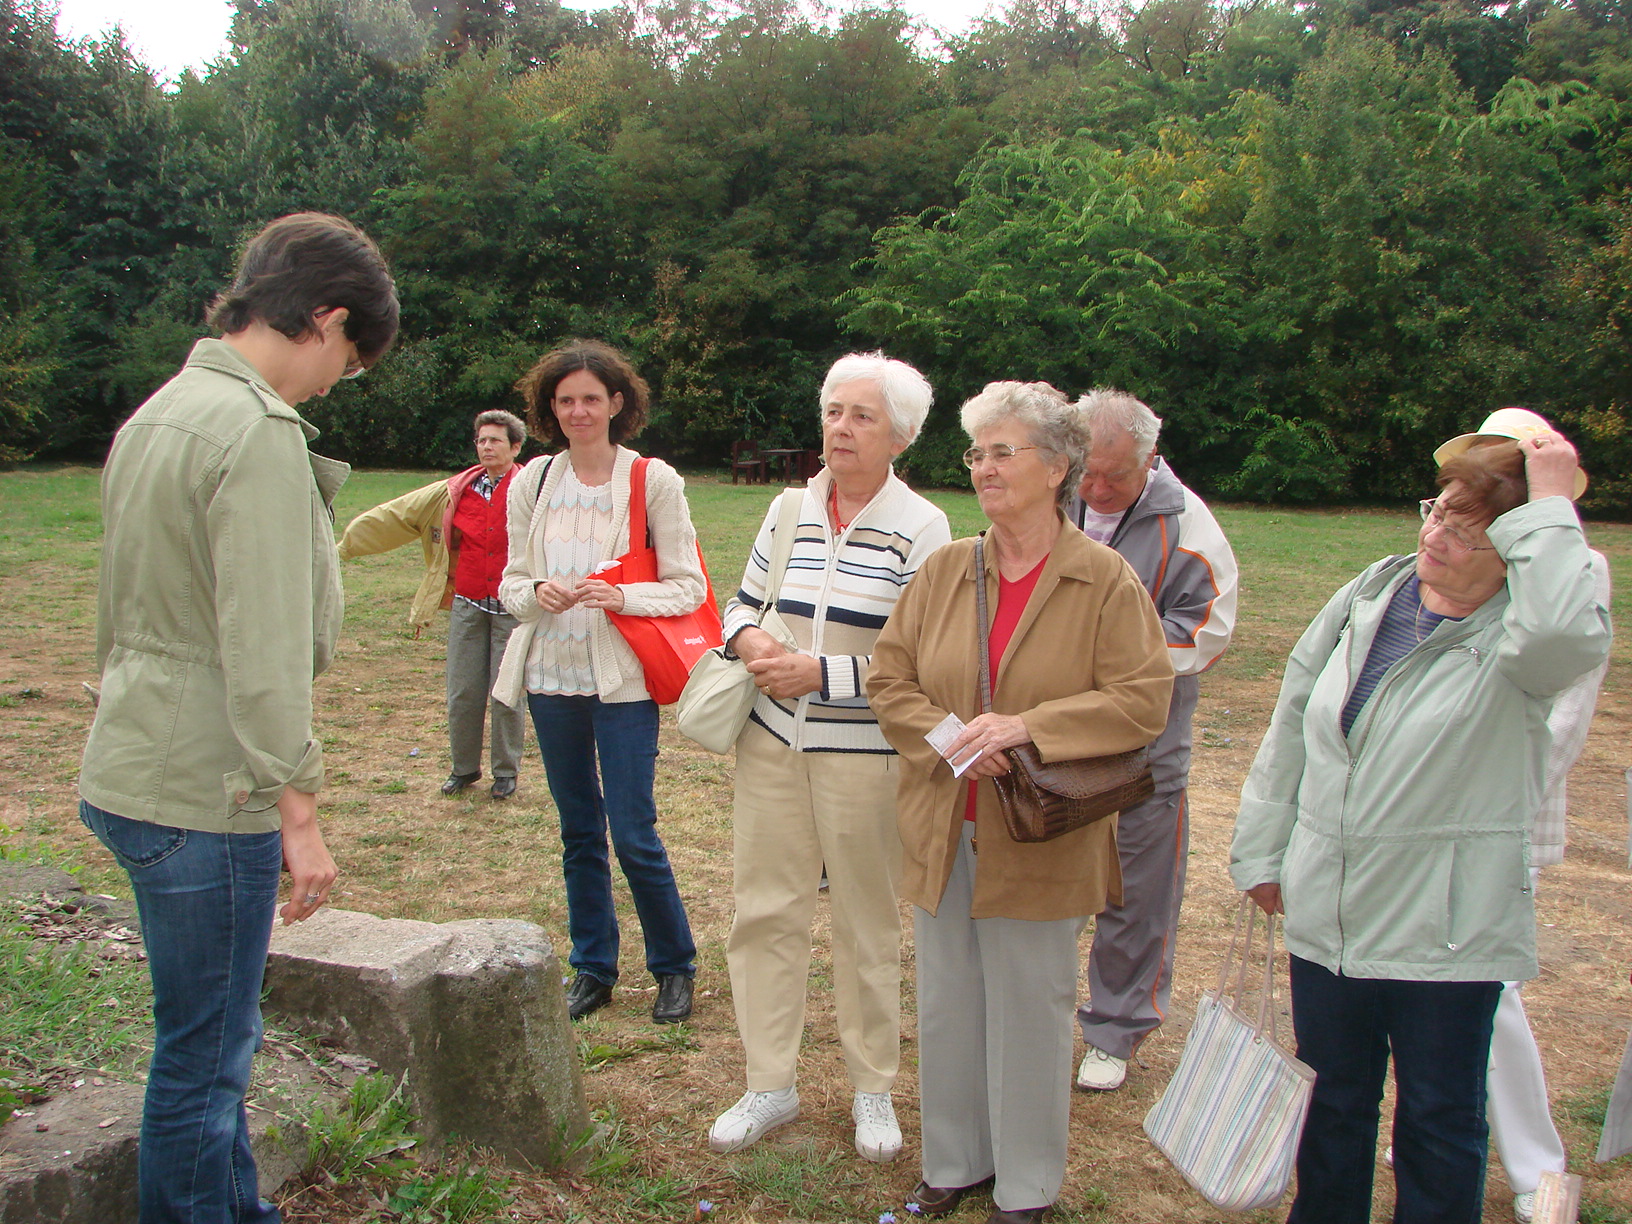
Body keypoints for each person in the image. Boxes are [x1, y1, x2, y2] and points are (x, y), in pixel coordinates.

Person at [78, 212, 398, 1223]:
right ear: (324, 318)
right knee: (205, 1063)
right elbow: (261, 655)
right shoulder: (255, 435)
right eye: (349, 362)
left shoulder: (161, 412)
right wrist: (296, 815)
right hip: (208, 791)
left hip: (131, 764)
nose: (335, 382)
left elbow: (123, 610)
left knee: (211, 1041)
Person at [1230, 428, 1610, 1224]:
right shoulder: (1374, 589)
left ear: (1513, 552)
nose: (1435, 536)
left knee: (1439, 1117)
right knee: (1331, 1104)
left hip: (1446, 926)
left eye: (1466, 532)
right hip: (1329, 908)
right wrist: (1265, 849)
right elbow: (1295, 714)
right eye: (1435, 511)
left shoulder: (1517, 639)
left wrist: (1549, 508)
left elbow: (1563, 635)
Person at [868, 381, 1173, 1224]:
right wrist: (950, 738)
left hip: (1043, 835)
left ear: (1058, 467)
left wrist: (1026, 728)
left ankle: (1028, 1186)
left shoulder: (1103, 580)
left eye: (1003, 452)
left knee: (1032, 1013)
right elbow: (888, 678)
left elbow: (1141, 701)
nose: (984, 469)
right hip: (942, 823)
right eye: (976, 453)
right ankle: (954, 1163)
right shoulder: (941, 571)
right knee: (948, 1000)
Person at [707, 353, 951, 1163]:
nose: (840, 429)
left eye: (862, 417)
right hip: (770, 745)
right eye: (833, 411)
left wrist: (826, 674)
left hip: (866, 759)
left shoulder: (923, 526)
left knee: (867, 922)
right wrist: (750, 640)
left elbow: (922, 658)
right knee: (764, 912)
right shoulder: (786, 509)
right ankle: (769, 1083)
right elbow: (740, 601)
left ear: (901, 437)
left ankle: (871, 1089)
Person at [1432, 409, 1610, 1224]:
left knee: (1486, 991)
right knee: (1441, 989)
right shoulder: (1447, 551)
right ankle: (1443, 1129)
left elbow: (1562, 711)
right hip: (1428, 810)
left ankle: (1538, 1169)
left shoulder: (1577, 567)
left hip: (1500, 814)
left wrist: (1498, 803)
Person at [492, 340, 702, 1025]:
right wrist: (538, 591)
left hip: (622, 684)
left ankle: (674, 968)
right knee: (579, 830)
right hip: (551, 677)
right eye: (564, 400)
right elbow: (510, 585)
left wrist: (622, 599)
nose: (578, 411)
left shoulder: (653, 481)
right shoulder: (534, 481)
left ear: (617, 403)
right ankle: (593, 968)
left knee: (633, 830)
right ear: (549, 409)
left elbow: (688, 587)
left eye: (591, 398)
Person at [1065, 388, 1238, 1093]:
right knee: (1044, 872)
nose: (1099, 490)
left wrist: (1110, 660)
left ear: (1151, 460)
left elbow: (1206, 634)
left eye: (1116, 477)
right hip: (1054, 732)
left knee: (1138, 887)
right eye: (1088, 475)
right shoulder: (1057, 494)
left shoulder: (1190, 529)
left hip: (1144, 743)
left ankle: (1116, 1027)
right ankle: (1037, 1008)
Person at [338, 410, 531, 800]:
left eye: (495, 440)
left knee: (507, 692)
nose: (486, 446)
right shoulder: (454, 491)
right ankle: (464, 769)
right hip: (468, 603)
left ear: (515, 447)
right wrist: (344, 548)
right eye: (481, 440)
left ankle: (505, 772)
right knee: (463, 690)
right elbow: (396, 515)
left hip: (512, 608)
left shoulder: (532, 490)